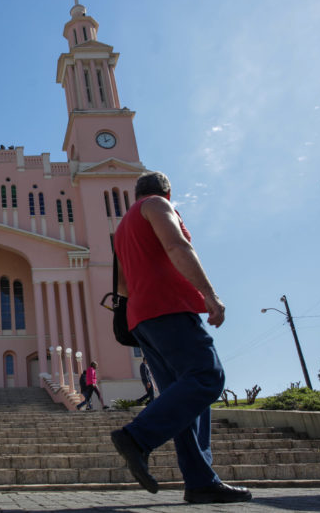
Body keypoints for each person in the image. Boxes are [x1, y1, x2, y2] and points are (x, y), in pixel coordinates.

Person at [110, 171, 251, 504]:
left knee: (184, 398)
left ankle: (201, 481)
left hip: (141, 318)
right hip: (168, 308)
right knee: (207, 376)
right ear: (168, 191)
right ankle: (137, 436)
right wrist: (210, 295)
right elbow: (177, 245)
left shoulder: (121, 229)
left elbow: (121, 286)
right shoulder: (157, 205)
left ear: (134, 193)